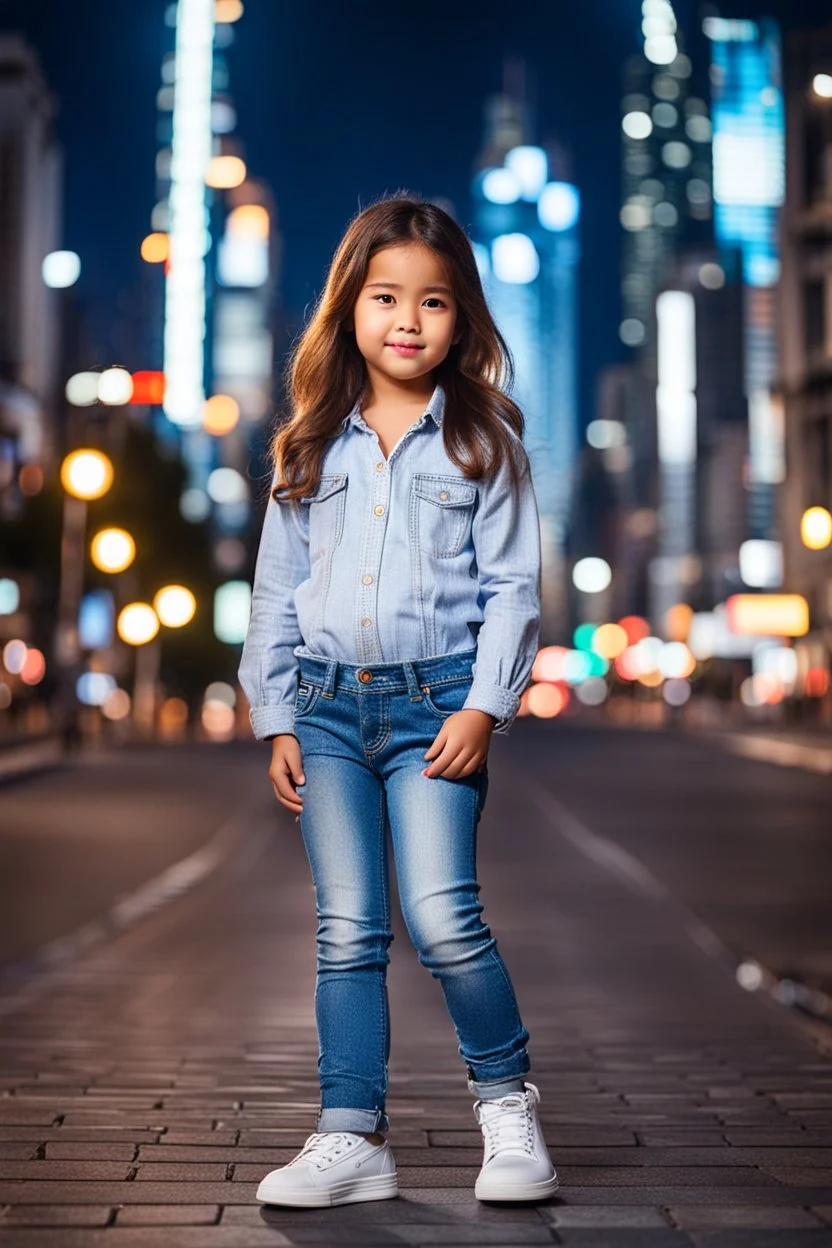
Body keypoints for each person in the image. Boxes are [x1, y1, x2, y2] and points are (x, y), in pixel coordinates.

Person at [238, 194, 558, 1209]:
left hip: (436, 709)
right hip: (325, 712)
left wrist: (484, 705)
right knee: (346, 929)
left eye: (433, 302)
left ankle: (507, 1110)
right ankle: (351, 1136)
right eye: (386, 298)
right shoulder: (307, 443)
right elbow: (275, 591)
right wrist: (275, 714)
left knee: (442, 918)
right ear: (351, 308)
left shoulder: (483, 439)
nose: (408, 321)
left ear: (462, 318)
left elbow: (513, 587)